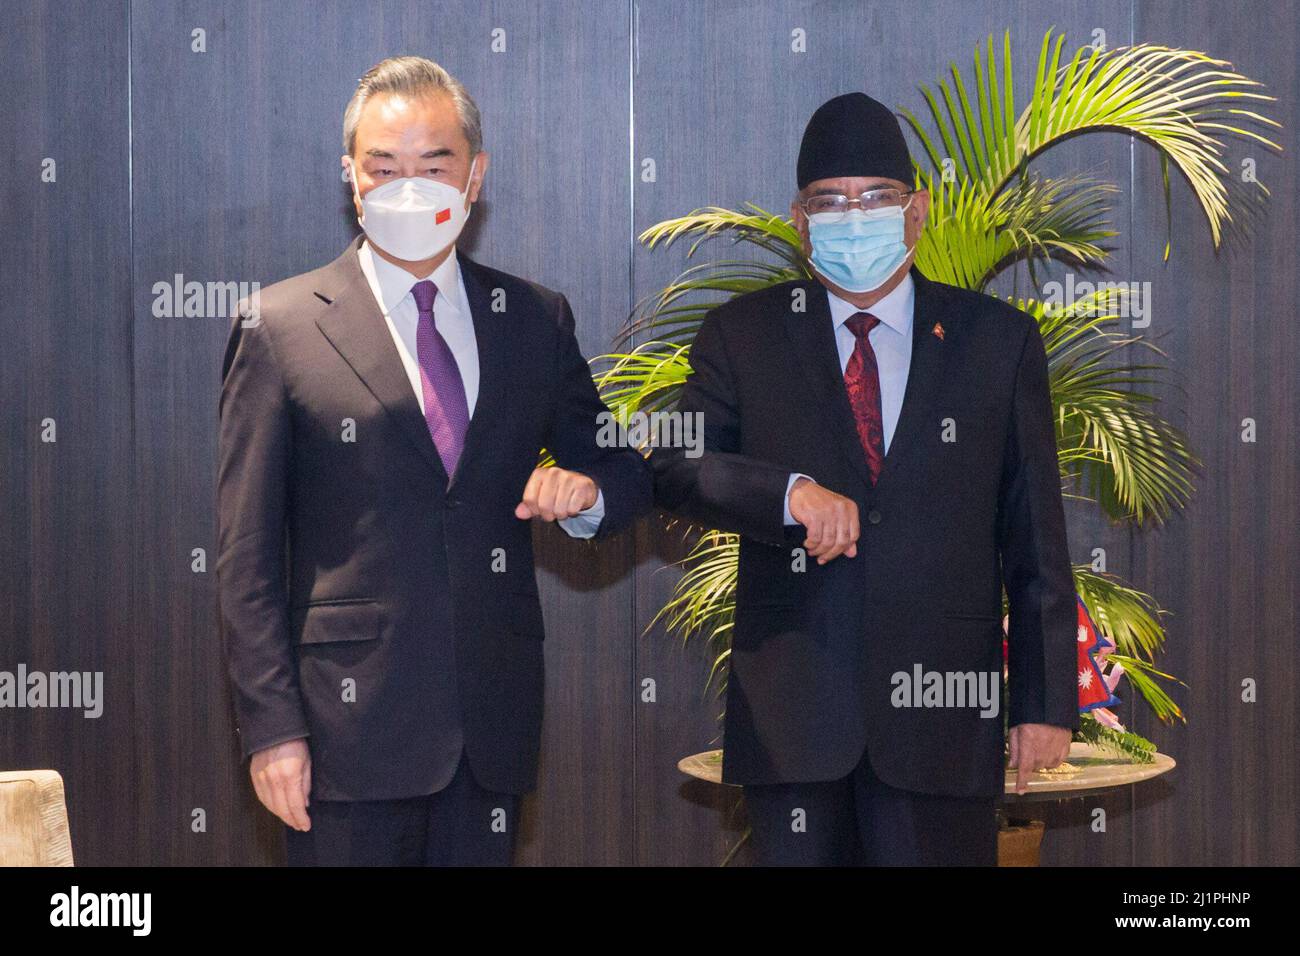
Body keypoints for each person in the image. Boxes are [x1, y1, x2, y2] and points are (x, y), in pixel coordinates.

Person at [216, 56, 651, 866]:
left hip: (490, 732)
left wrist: (585, 491)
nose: (407, 187)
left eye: (434, 164)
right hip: (343, 737)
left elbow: (623, 473)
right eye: (384, 166)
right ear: (351, 176)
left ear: (474, 175)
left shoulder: (531, 318)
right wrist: (272, 729)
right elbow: (245, 559)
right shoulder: (277, 327)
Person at [652, 92, 1079, 865]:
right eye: (830, 202)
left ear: (916, 212)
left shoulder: (997, 342)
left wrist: (1045, 705)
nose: (854, 216)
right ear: (800, 220)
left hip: (945, 720)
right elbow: (678, 465)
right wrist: (785, 494)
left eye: (875, 198)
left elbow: (1035, 535)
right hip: (796, 723)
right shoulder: (743, 335)